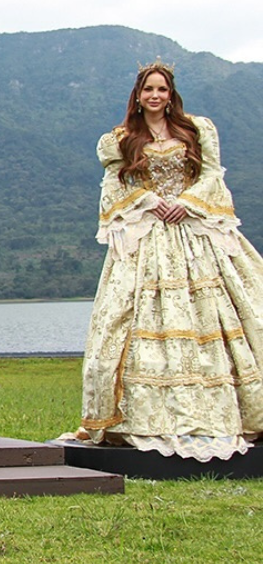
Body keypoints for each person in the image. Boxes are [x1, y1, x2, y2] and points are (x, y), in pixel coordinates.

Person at [74, 60, 263, 461]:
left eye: (161, 90)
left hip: (194, 228)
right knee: (127, 318)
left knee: (223, 313)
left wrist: (187, 202)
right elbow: (114, 182)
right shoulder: (121, 138)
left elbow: (212, 176)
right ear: (138, 96)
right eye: (148, 90)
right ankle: (140, 419)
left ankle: (225, 414)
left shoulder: (196, 130)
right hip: (149, 231)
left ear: (171, 94)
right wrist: (148, 200)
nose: (155, 96)